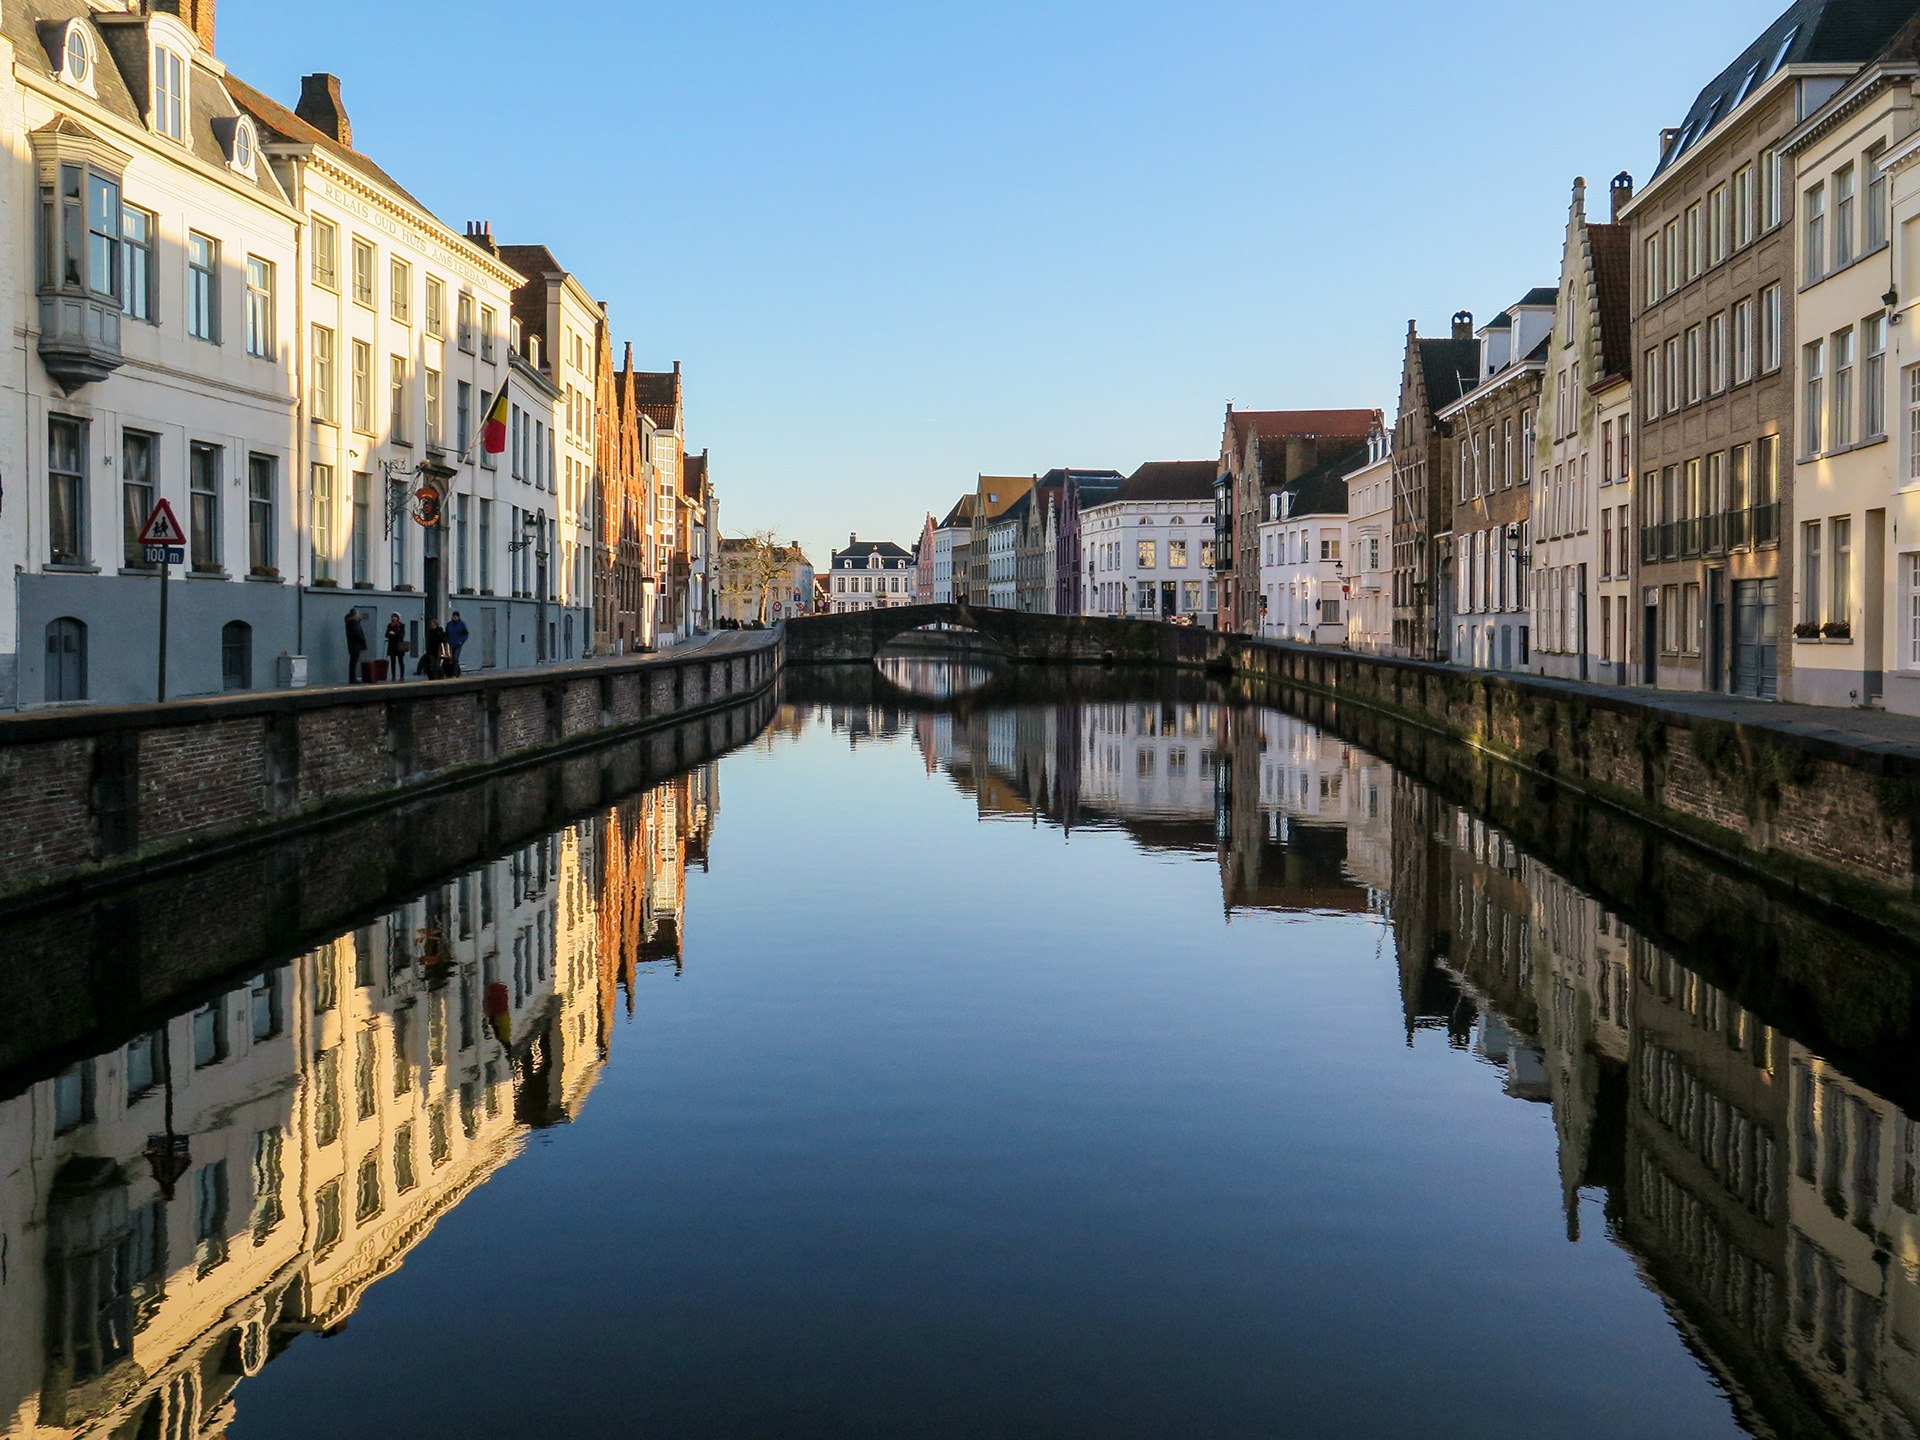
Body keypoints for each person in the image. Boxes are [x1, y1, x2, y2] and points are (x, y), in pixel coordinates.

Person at [344, 608, 367, 683]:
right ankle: (353, 678)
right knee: (354, 661)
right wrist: (363, 640)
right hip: (356, 644)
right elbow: (357, 633)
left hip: (351, 644)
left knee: (352, 661)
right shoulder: (354, 623)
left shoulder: (349, 622)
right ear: (355, 614)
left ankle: (352, 678)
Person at [384, 614, 407, 682]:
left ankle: (402, 676)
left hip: (399, 644)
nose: (394, 618)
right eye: (393, 617)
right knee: (393, 661)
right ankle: (393, 676)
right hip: (392, 645)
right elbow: (386, 635)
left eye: (395, 617)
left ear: (398, 618)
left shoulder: (401, 625)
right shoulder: (389, 625)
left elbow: (402, 635)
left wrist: (394, 633)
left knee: (401, 661)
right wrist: (390, 634)